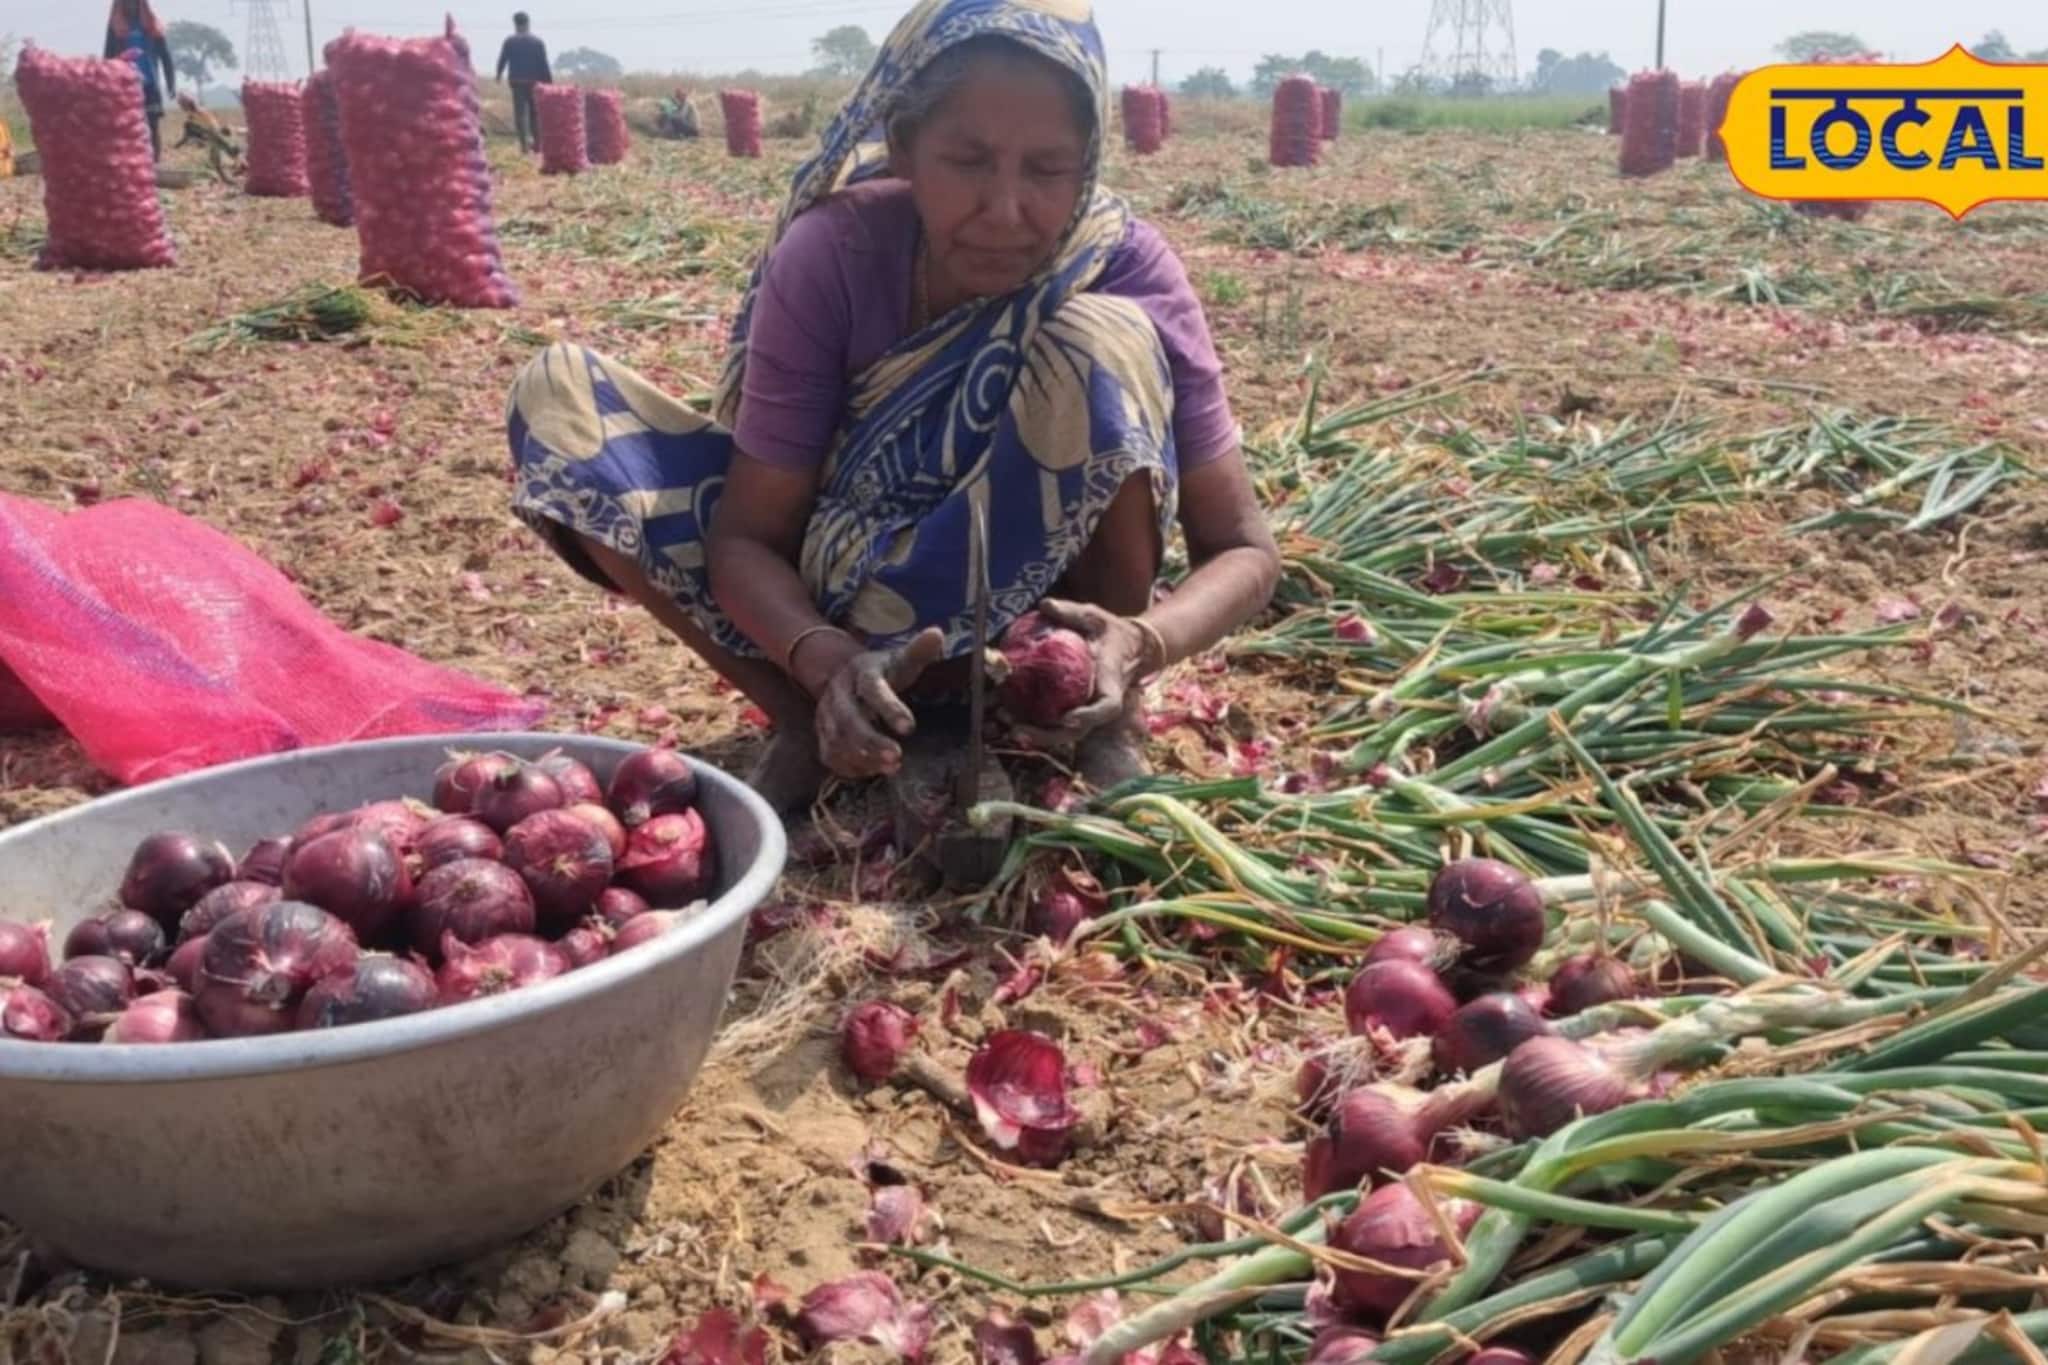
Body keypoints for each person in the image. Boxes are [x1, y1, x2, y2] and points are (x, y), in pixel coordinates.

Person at [506, 0, 1280, 815]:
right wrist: (826, 659)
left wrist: (1141, 640)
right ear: (904, 145)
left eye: (1048, 169)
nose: (1006, 209)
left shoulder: (1120, 265)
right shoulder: (835, 255)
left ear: (1088, 162)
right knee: (559, 397)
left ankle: (1092, 717)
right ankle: (816, 721)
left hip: (1034, 625)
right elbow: (746, 539)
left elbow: (1244, 549)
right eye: (968, 160)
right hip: (838, 599)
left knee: (1104, 339)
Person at [103, 0, 176, 162]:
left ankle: (155, 165)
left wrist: (171, 82)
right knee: (126, 127)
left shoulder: (151, 27)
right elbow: (107, 58)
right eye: (127, 3)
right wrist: (105, 83)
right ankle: (132, 166)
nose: (131, 6)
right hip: (125, 86)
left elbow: (165, 56)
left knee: (153, 125)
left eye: (134, 3)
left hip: (150, 83)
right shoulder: (115, 28)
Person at [495, 12, 552, 156]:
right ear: (528, 23)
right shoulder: (537, 42)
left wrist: (498, 74)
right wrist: (548, 83)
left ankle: (524, 146)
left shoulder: (510, 41)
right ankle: (538, 146)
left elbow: (503, 59)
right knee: (535, 114)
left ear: (515, 24)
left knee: (520, 114)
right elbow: (543, 64)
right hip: (534, 82)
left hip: (517, 82)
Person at [172, 94, 243, 185]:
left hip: (214, 134)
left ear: (187, 104)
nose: (180, 107)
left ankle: (241, 168)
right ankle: (227, 179)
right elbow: (192, 127)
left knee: (230, 150)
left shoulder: (199, 111)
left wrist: (214, 133)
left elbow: (212, 123)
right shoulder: (191, 114)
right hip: (211, 136)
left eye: (181, 104)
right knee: (216, 158)